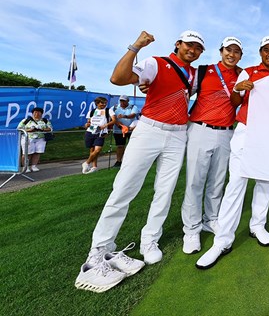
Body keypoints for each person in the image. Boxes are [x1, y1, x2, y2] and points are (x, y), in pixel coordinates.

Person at [75, 30, 203, 293]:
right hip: (150, 129)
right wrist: (136, 46)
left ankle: (149, 241)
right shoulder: (156, 62)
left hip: (178, 134)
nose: (193, 49)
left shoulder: (193, 74)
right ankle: (98, 253)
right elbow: (118, 78)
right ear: (178, 44)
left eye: (198, 47)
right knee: (124, 188)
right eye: (189, 44)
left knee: (164, 192)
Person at [196, 36, 269, 269]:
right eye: (266, 50)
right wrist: (238, 88)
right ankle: (222, 241)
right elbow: (236, 100)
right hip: (246, 131)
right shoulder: (247, 71)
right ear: (260, 53)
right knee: (236, 183)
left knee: (265, 183)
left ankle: (257, 225)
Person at [181, 37, 243, 255]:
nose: (231, 55)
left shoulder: (241, 74)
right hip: (200, 129)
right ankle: (191, 229)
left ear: (240, 56)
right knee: (195, 182)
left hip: (226, 132)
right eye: (228, 50)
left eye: (236, 51)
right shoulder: (203, 70)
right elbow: (182, 90)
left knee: (217, 183)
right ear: (221, 51)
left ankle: (212, 219)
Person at [82, 97, 113, 174]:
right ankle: (94, 167)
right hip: (91, 131)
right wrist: (87, 124)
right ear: (97, 103)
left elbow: (114, 120)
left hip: (101, 132)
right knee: (92, 150)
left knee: (98, 149)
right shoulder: (92, 111)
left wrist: (106, 125)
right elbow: (88, 122)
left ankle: (86, 163)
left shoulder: (108, 110)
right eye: (102, 103)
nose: (104, 104)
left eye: (105, 103)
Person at [17, 107, 53, 172]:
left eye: (39, 112)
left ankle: (34, 166)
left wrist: (41, 129)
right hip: (28, 138)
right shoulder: (26, 120)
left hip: (40, 138)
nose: (37, 114)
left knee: (37, 152)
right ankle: (25, 167)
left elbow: (50, 128)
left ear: (41, 114)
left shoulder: (45, 121)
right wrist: (29, 130)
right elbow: (19, 129)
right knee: (27, 153)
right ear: (32, 113)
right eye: (35, 112)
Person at [109, 95, 139, 168]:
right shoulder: (114, 107)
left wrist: (124, 116)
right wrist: (121, 127)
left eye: (124, 101)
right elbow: (114, 119)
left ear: (127, 101)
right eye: (121, 100)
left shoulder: (133, 107)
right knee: (120, 146)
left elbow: (133, 115)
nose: (122, 102)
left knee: (132, 146)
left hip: (131, 130)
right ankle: (119, 161)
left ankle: (131, 161)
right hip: (118, 131)